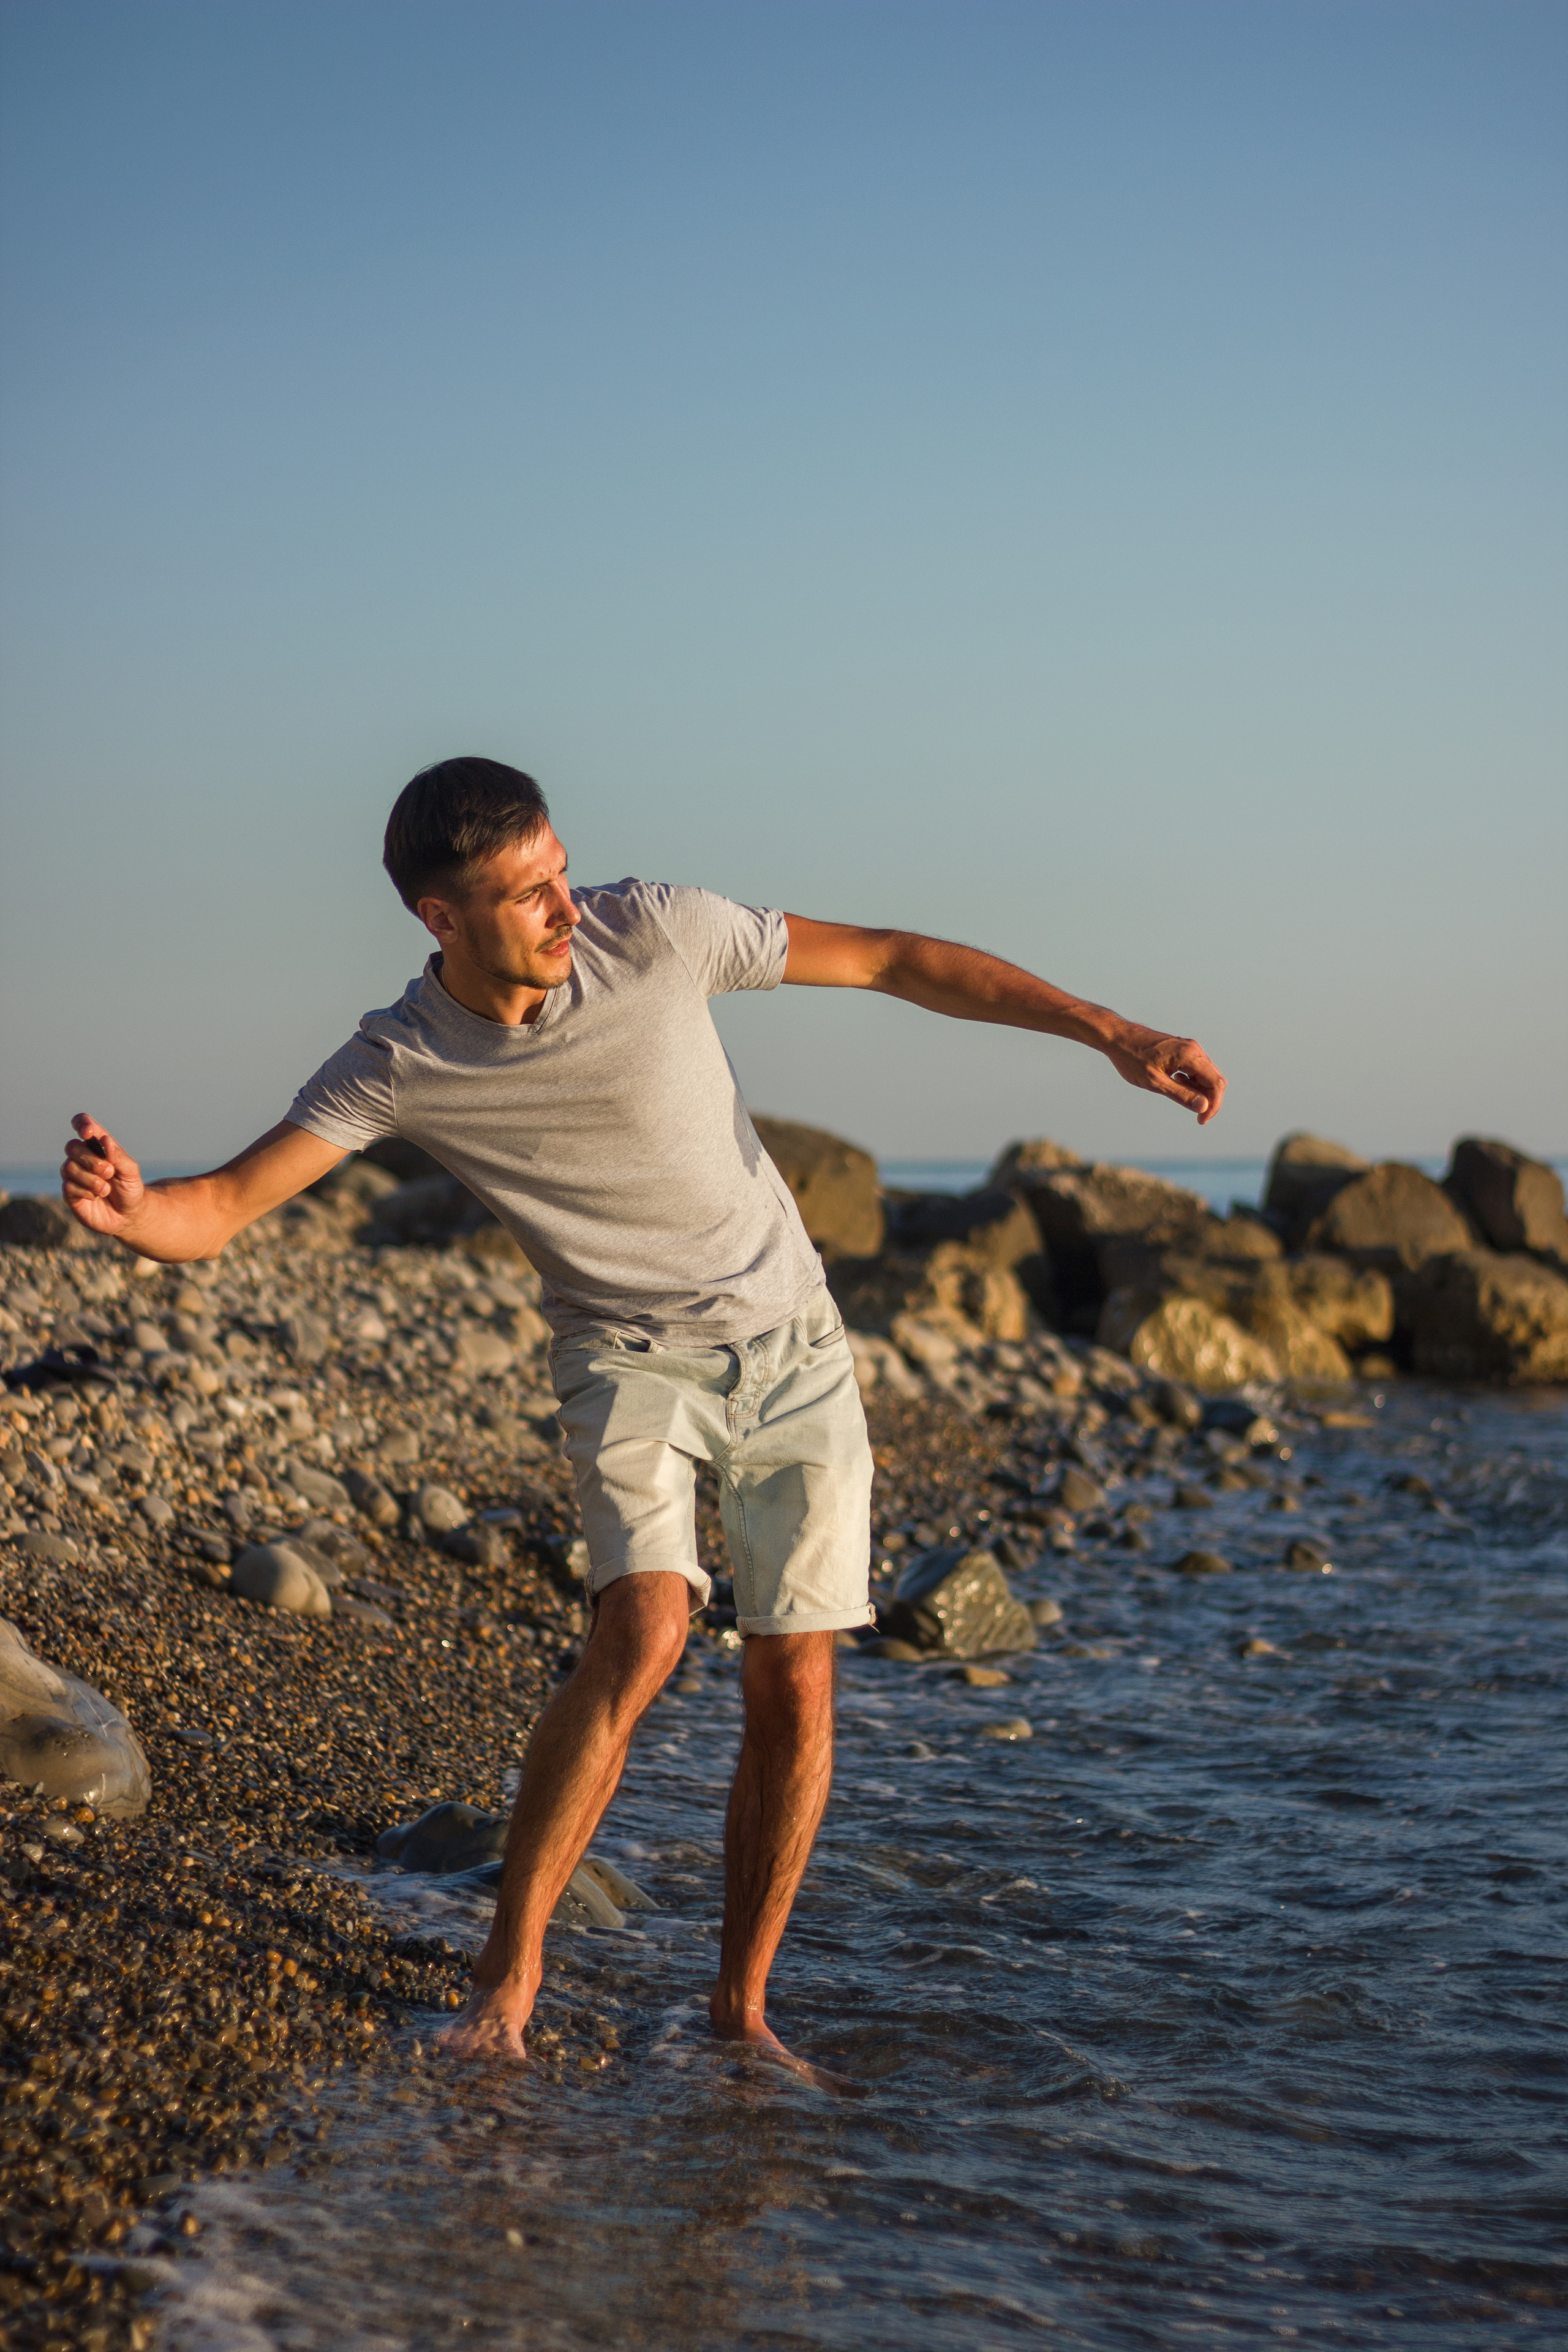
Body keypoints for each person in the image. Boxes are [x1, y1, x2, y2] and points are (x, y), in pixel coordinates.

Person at [62, 755, 1224, 2071]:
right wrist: (130, 1212)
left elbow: (894, 958)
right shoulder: (402, 1058)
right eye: (527, 894)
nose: (566, 910)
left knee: (797, 1675)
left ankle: (740, 2007)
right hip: (623, 1358)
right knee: (647, 1627)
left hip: (792, 1341)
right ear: (440, 919)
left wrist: (1109, 1032)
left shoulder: (657, 930)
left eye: (561, 873)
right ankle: (507, 1976)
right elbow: (217, 1208)